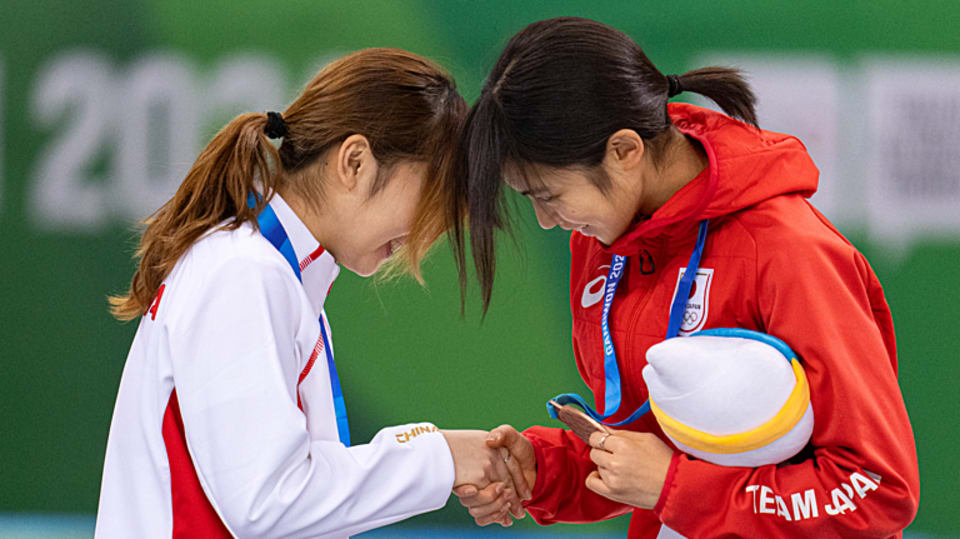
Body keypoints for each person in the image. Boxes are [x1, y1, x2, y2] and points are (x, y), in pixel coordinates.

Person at [450, 17, 920, 537]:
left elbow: (874, 488)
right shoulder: (604, 241)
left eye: (549, 195)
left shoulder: (787, 251)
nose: (545, 220)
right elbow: (658, 448)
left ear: (625, 151)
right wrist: (544, 470)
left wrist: (674, 487)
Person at [96, 48, 527, 538]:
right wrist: (438, 458)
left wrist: (442, 457)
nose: (429, 233)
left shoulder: (273, 276)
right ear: (355, 162)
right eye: (432, 194)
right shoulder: (244, 273)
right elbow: (267, 503)